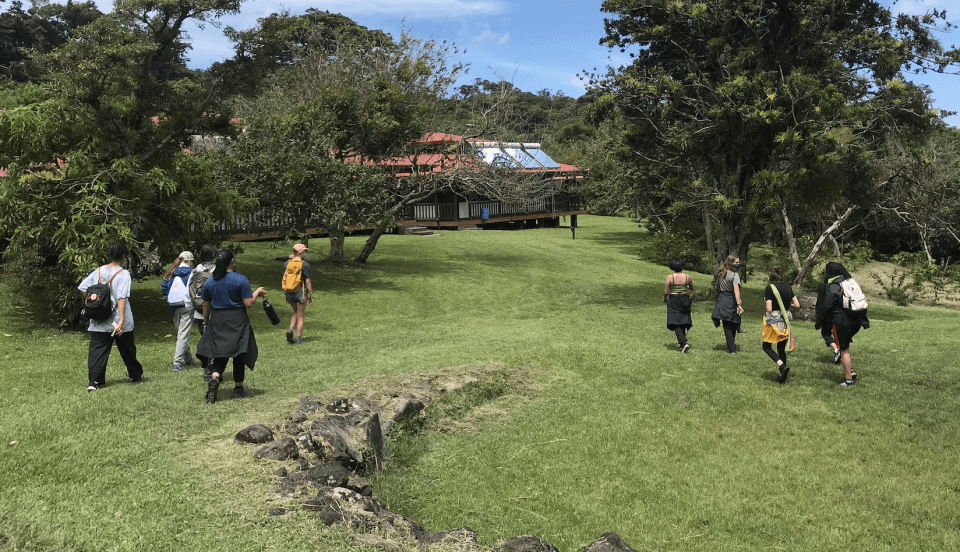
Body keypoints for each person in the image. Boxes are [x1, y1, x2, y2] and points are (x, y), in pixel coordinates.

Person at [196, 249, 266, 403]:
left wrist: (206, 323)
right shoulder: (240, 279)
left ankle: (215, 377)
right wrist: (257, 293)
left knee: (220, 353)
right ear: (232, 261)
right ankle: (238, 389)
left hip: (218, 320)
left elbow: (206, 305)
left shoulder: (210, 281)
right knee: (239, 353)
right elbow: (248, 303)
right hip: (237, 319)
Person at [78, 241, 144, 391]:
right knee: (127, 349)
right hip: (117, 319)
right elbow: (121, 298)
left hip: (98, 319)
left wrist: (94, 303)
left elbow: (83, 287)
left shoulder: (99, 271)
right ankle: (135, 375)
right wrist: (121, 320)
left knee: (97, 350)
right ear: (124, 257)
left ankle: (94, 381)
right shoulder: (123, 274)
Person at [815, 262, 869, 386]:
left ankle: (848, 380)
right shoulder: (850, 282)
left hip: (842, 321)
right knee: (845, 347)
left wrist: (819, 321)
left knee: (844, 350)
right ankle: (849, 371)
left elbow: (827, 305)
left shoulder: (835, 285)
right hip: (856, 319)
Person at [762, 266, 800, 383]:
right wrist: (786, 306)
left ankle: (782, 366)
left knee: (766, 346)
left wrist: (767, 300)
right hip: (785, 321)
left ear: (771, 276)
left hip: (773, 322)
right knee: (781, 348)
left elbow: (769, 308)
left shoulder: (770, 288)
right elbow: (797, 305)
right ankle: (782, 374)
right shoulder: (788, 287)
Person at [161, 251, 195, 372]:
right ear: (189, 261)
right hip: (185, 304)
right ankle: (177, 363)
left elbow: (164, 285)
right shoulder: (191, 272)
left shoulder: (172, 271)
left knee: (181, 332)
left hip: (173, 304)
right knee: (183, 334)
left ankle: (188, 358)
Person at [191, 244, 218, 381]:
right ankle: (214, 371)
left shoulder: (195, 271)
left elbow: (189, 292)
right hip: (216, 311)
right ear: (214, 256)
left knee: (206, 340)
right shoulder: (218, 270)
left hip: (199, 313)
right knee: (217, 342)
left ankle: (208, 371)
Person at [712, 255, 744, 353]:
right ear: (731, 263)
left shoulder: (722, 274)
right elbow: (736, 290)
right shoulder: (735, 276)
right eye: (736, 262)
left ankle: (731, 345)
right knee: (732, 322)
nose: (738, 264)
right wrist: (739, 304)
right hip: (731, 299)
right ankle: (731, 347)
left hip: (722, 298)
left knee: (726, 323)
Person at [283, 243, 313, 345]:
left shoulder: (287, 263)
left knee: (296, 312)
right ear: (300, 252)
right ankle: (299, 339)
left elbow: (285, 278)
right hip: (300, 291)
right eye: (304, 251)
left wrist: (286, 294)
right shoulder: (305, 264)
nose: (305, 252)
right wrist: (310, 295)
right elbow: (307, 282)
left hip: (289, 291)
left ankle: (291, 329)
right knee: (300, 315)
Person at [663, 258, 694, 353]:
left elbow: (666, 291)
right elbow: (691, 287)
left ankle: (684, 343)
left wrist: (665, 299)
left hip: (674, 300)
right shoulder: (687, 277)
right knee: (683, 320)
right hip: (684, 299)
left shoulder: (670, 277)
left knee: (675, 321)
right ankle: (681, 343)